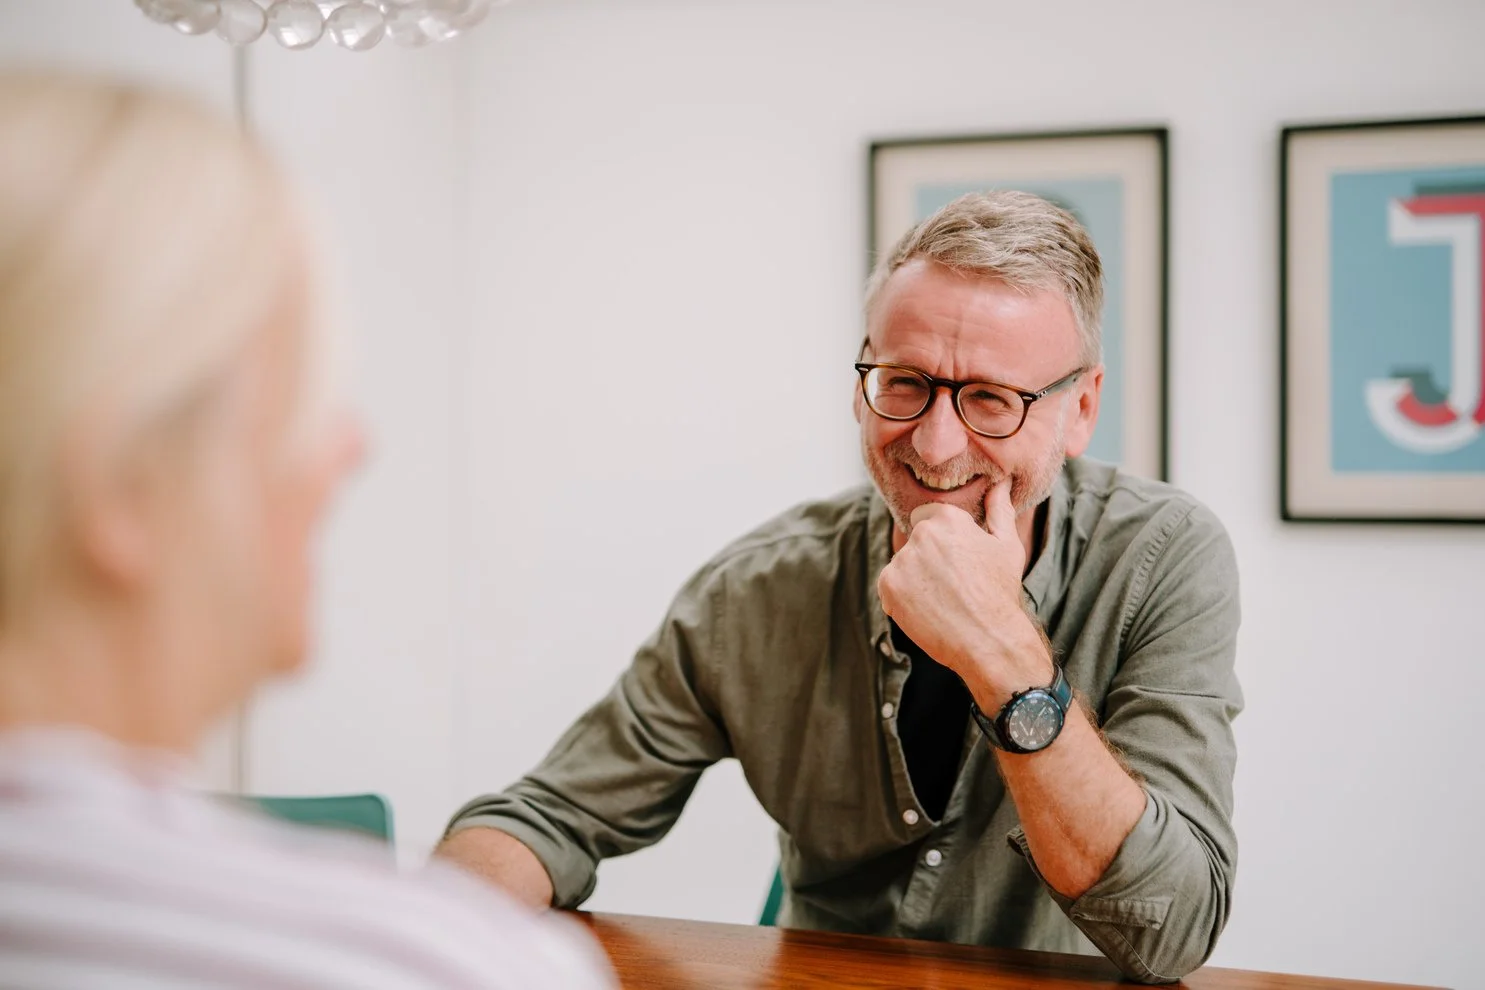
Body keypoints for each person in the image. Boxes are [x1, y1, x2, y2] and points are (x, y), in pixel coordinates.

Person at [440, 189, 1243, 984]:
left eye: (990, 400)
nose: (934, 445)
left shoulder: (1161, 560)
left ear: (1080, 411)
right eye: (903, 383)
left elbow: (1171, 929)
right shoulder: (756, 590)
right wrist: (414, 940)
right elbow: (544, 819)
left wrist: (1000, 647)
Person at [0, 71, 612, 989]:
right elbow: (556, 809)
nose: (349, 448)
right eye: (303, 393)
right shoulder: (445, 969)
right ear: (124, 486)